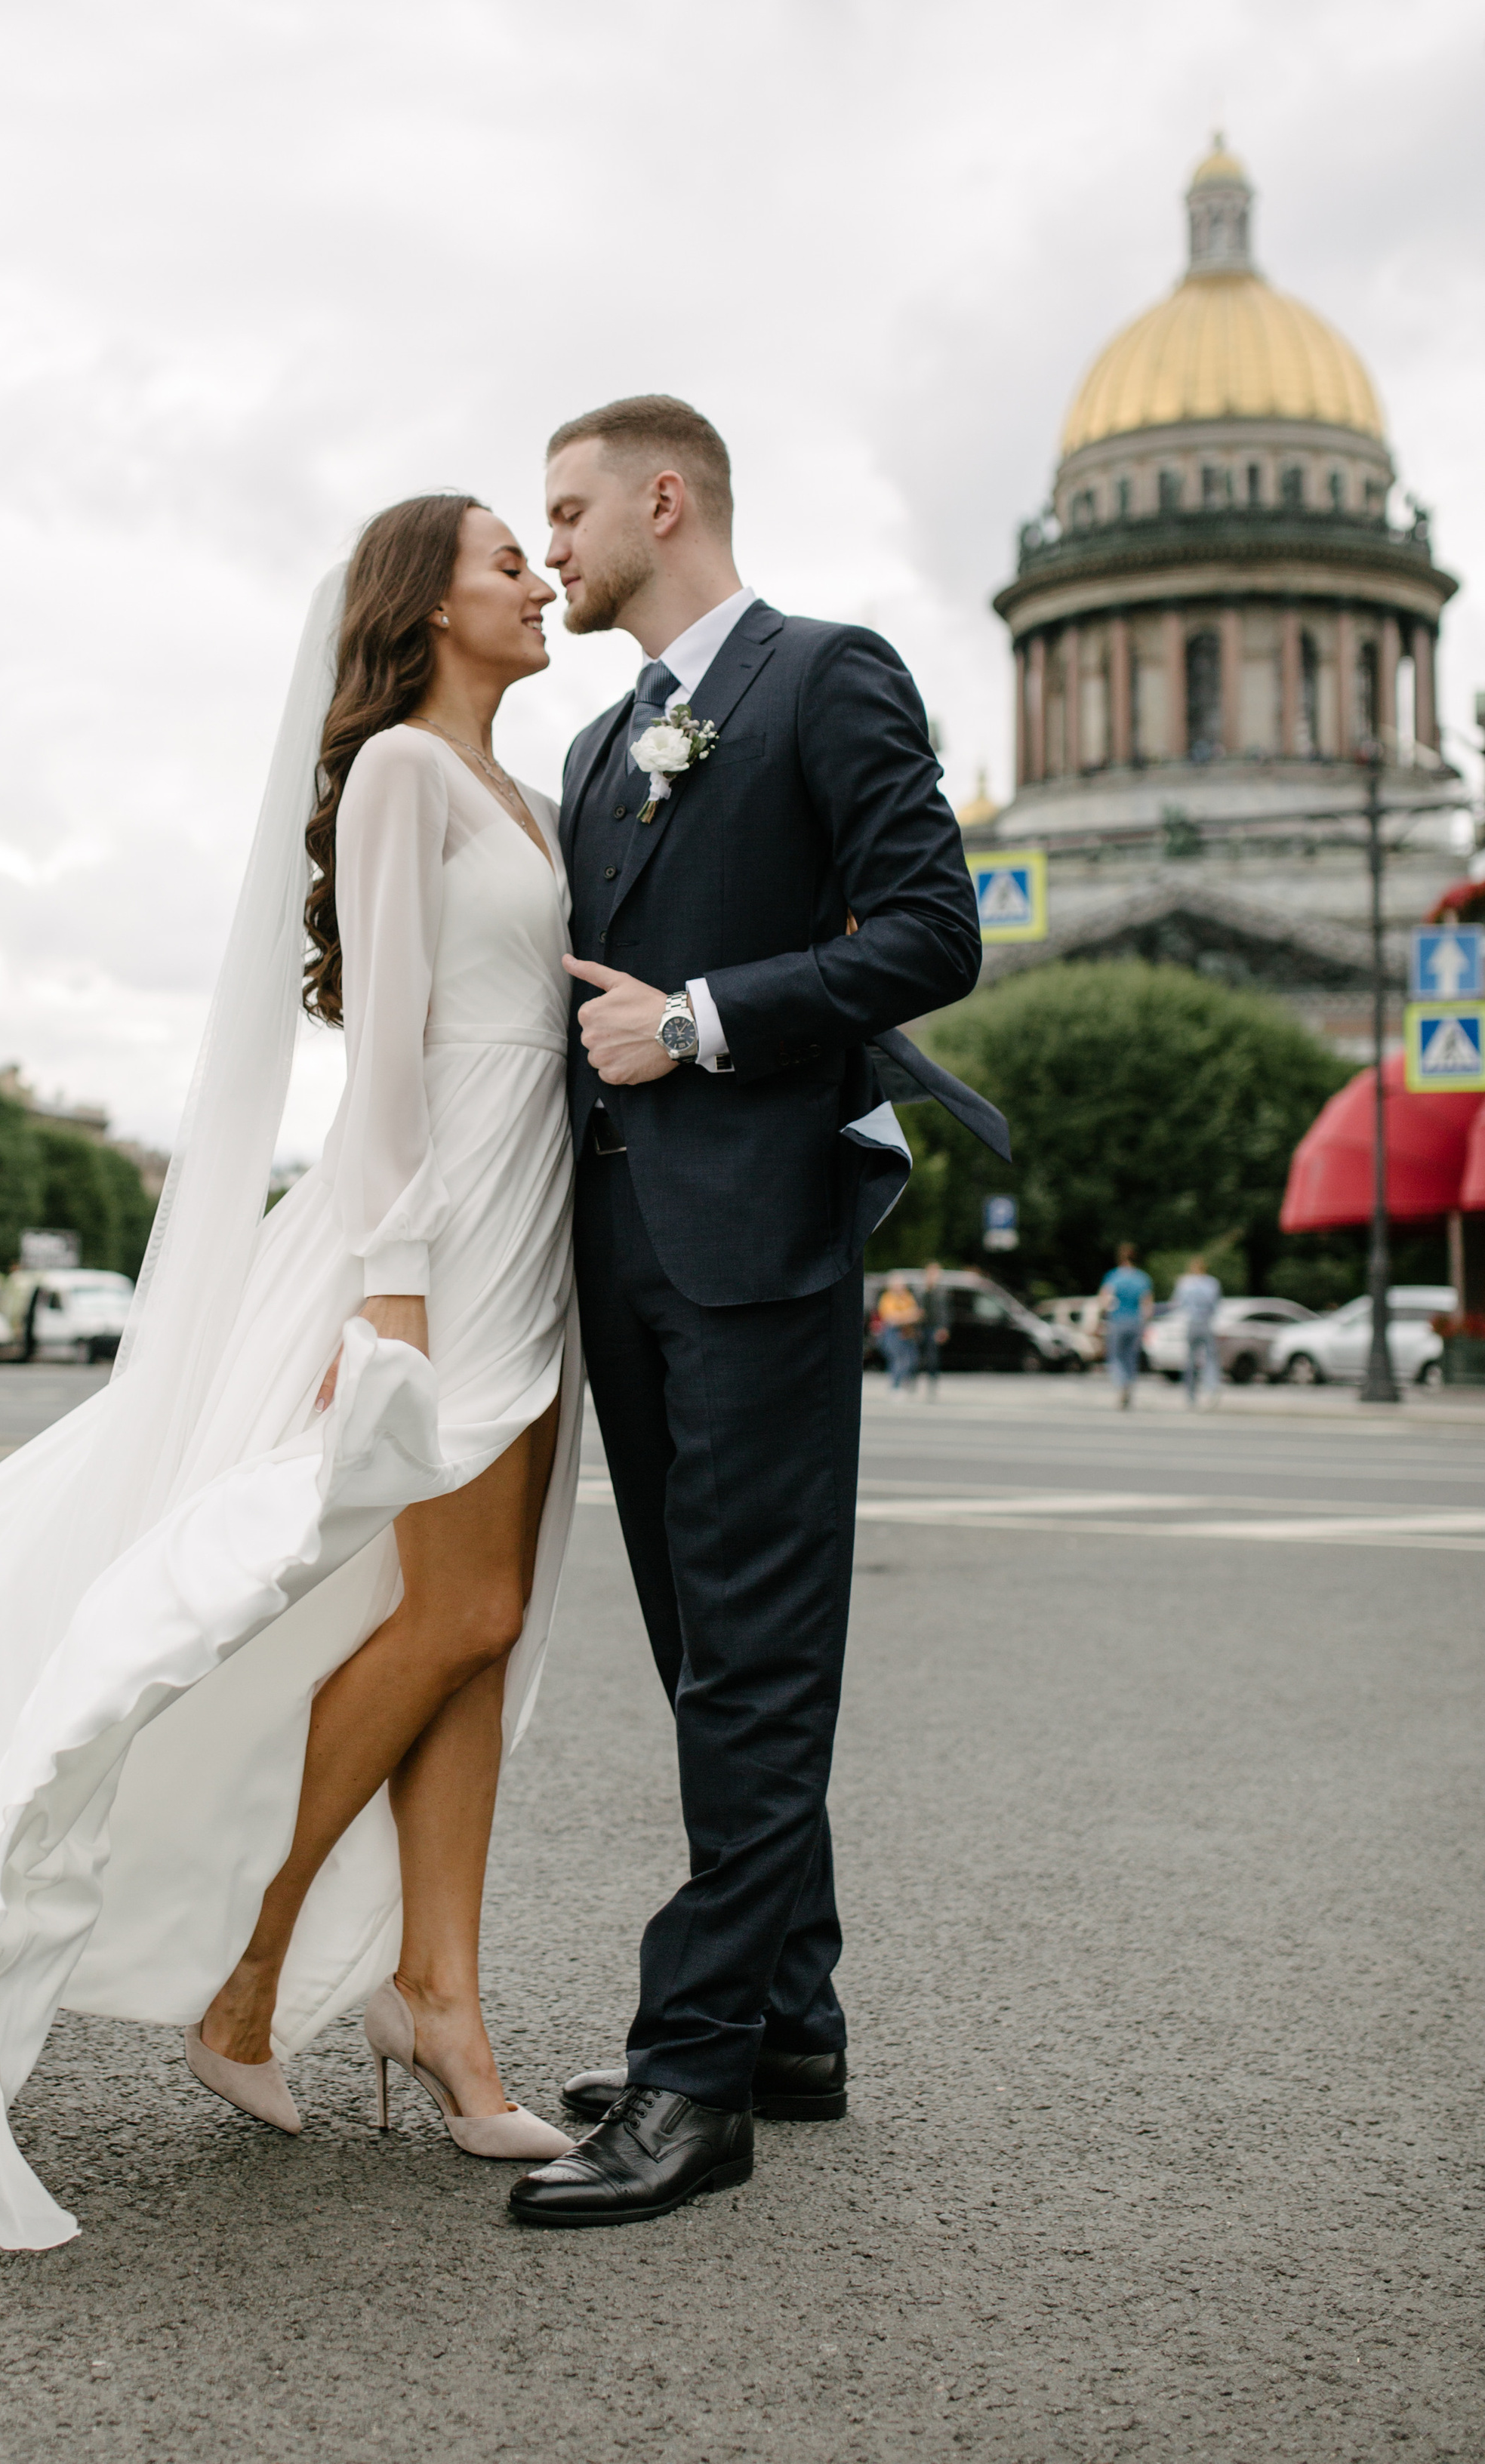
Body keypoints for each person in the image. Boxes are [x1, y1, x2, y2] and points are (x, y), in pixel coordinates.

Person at [0, 491, 580, 2250]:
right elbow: (381, 1050)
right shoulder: (396, 770)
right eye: (501, 561)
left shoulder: (518, 791)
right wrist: (387, 1291)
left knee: (478, 1622)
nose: (536, 579)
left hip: (526, 1240)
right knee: (450, 1615)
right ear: (422, 603)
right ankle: (249, 1978)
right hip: (437, 1243)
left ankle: (437, 1997)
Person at [512, 393, 1001, 2232]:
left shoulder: (823, 676)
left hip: (762, 1252)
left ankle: (694, 2069)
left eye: (564, 509)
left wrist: (699, 1015)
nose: (547, 541)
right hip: (622, 1252)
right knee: (696, 1644)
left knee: (755, 1661)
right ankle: (791, 2018)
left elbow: (929, 928)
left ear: (663, 498)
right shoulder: (589, 747)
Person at [1099, 1241, 1154, 1409]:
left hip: (1117, 1321)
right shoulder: (1142, 1278)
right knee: (1131, 1358)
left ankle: (1121, 1385)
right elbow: (1148, 1306)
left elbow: (1104, 1300)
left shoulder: (1114, 1277)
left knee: (1116, 1357)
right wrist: (1145, 1324)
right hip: (1135, 1322)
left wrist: (1103, 1316)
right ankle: (1129, 1385)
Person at [1174, 1255, 1223, 1408]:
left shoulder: (1185, 1283)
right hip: (1206, 1323)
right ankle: (1211, 1389)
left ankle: (1190, 1395)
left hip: (1192, 1322)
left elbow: (1178, 1303)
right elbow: (1216, 1306)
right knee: (1210, 1359)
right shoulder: (1212, 1283)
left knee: (1190, 1360)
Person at [873, 1277, 922, 1393]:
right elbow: (891, 1318)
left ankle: (905, 1383)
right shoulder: (887, 1298)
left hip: (907, 1331)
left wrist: (904, 1317)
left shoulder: (907, 1296)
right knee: (898, 1359)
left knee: (911, 1358)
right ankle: (895, 1385)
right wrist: (907, 1316)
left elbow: (916, 1313)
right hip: (892, 1332)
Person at [920, 1259, 950, 1396]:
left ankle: (932, 1386)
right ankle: (912, 1383)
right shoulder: (922, 1289)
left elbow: (945, 1312)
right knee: (917, 1357)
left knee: (933, 1358)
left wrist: (943, 1328)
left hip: (934, 1327)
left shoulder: (942, 1291)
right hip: (921, 1327)